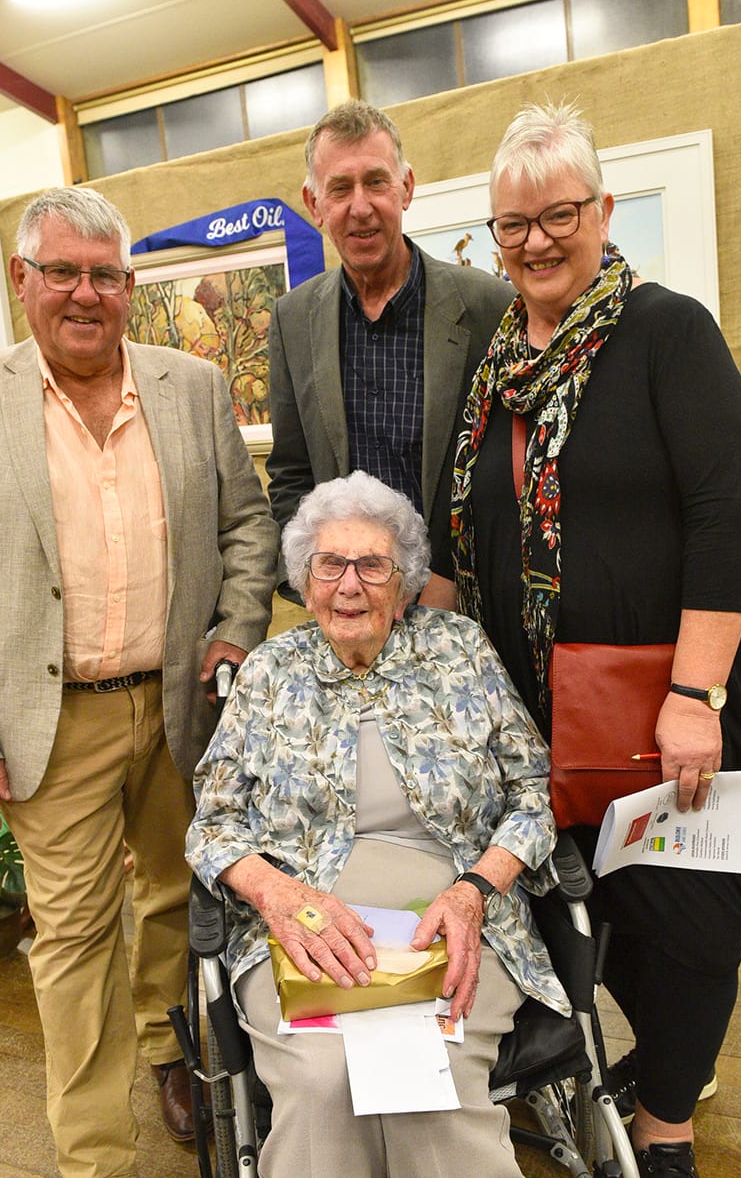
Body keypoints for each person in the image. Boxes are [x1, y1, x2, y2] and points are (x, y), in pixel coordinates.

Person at [421, 102, 741, 1178]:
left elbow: (729, 506)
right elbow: (458, 533)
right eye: (511, 224)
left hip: (664, 702)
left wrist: (693, 693)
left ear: (602, 211)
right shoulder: (494, 372)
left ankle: (668, 1117)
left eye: (559, 214)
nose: (535, 241)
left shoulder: (666, 331)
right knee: (583, 903)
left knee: (684, 919)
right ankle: (636, 1059)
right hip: (538, 717)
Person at [0, 186, 278, 1178]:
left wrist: (235, 632)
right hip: (50, 718)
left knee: (170, 894)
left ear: (128, 284)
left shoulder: (190, 388)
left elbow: (249, 529)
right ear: (26, 281)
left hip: (177, 709)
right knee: (71, 937)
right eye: (62, 272)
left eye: (105, 274)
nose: (85, 293)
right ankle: (92, 1154)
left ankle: (171, 1050)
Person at [186, 471, 569, 1178]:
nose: (350, 584)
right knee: (324, 1079)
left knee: (434, 1081)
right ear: (305, 579)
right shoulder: (271, 672)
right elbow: (212, 822)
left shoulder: (458, 650)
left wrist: (474, 891)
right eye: (330, 564)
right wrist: (279, 898)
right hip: (304, 924)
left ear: (407, 581)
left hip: (454, 916)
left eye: (373, 565)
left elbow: (534, 788)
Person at [266, 99, 513, 598]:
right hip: (349, 607)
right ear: (314, 205)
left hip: (470, 605)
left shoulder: (490, 306)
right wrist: (316, 586)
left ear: (406, 188)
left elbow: (510, 469)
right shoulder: (292, 321)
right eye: (339, 188)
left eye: (376, 181)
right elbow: (291, 474)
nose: (361, 206)